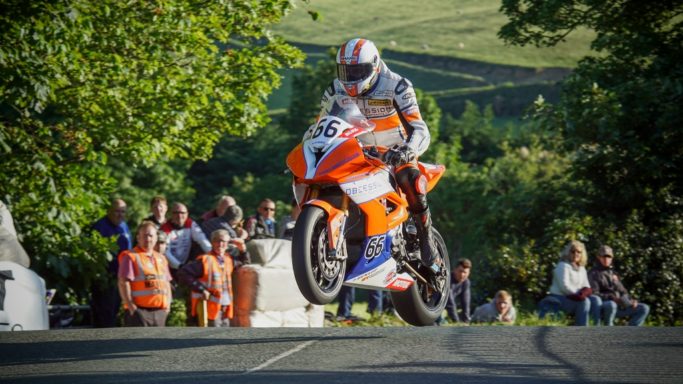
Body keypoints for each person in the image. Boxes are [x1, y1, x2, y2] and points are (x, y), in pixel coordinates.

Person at [306, 38, 439, 273]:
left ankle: (425, 235)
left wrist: (409, 150)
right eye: (346, 71)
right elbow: (321, 126)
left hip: (395, 151)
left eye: (358, 70)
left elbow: (419, 128)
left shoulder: (397, 86)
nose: (351, 77)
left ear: (375, 65)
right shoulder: (334, 89)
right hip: (357, 151)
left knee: (411, 179)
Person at [177, 229, 250, 327]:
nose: (220, 244)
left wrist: (242, 249)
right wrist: (201, 289)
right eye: (217, 241)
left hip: (225, 308)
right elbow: (183, 273)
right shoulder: (205, 260)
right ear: (212, 242)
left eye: (223, 241)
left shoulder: (228, 259)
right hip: (209, 309)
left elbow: (245, 263)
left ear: (227, 243)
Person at [117, 221, 172, 327]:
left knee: (158, 343)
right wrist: (131, 306)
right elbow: (123, 282)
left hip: (160, 312)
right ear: (138, 238)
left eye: (151, 236)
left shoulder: (161, 258)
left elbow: (167, 283)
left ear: (156, 238)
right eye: (145, 236)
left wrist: (168, 306)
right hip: (139, 312)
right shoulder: (130, 257)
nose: (148, 239)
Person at [90, 198, 133, 327]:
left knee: (114, 310)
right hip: (106, 278)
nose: (120, 214)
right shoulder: (100, 227)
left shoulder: (124, 226)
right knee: (105, 312)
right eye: (117, 211)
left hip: (121, 277)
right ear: (109, 211)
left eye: (123, 212)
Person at [588, 245, 650, 326]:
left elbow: (623, 291)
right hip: (606, 306)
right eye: (603, 256)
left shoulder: (613, 273)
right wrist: (612, 298)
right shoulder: (593, 273)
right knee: (611, 305)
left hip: (620, 305)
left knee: (644, 308)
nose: (606, 259)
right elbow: (594, 294)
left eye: (608, 257)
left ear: (611, 258)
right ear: (599, 257)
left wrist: (630, 300)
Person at [545, 240, 600, 326]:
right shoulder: (562, 265)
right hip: (560, 297)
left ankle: (597, 328)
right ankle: (581, 329)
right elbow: (564, 287)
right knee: (585, 301)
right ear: (568, 252)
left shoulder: (582, 269)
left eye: (579, 252)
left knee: (596, 300)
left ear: (582, 254)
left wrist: (583, 293)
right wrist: (580, 295)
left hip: (576, 296)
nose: (576, 253)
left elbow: (587, 286)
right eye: (573, 251)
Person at [160, 202, 212, 273]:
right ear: (171, 214)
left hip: (185, 264)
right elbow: (165, 252)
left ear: (187, 214)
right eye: (176, 213)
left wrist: (213, 254)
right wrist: (179, 266)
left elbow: (202, 240)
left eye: (182, 213)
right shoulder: (165, 229)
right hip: (168, 266)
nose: (179, 216)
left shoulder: (190, 224)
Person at [443, 258, 472, 324]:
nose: (462, 275)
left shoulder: (466, 282)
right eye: (460, 271)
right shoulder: (447, 278)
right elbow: (450, 303)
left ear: (469, 273)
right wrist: (456, 322)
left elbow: (466, 303)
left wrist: (466, 322)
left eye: (465, 272)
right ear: (454, 270)